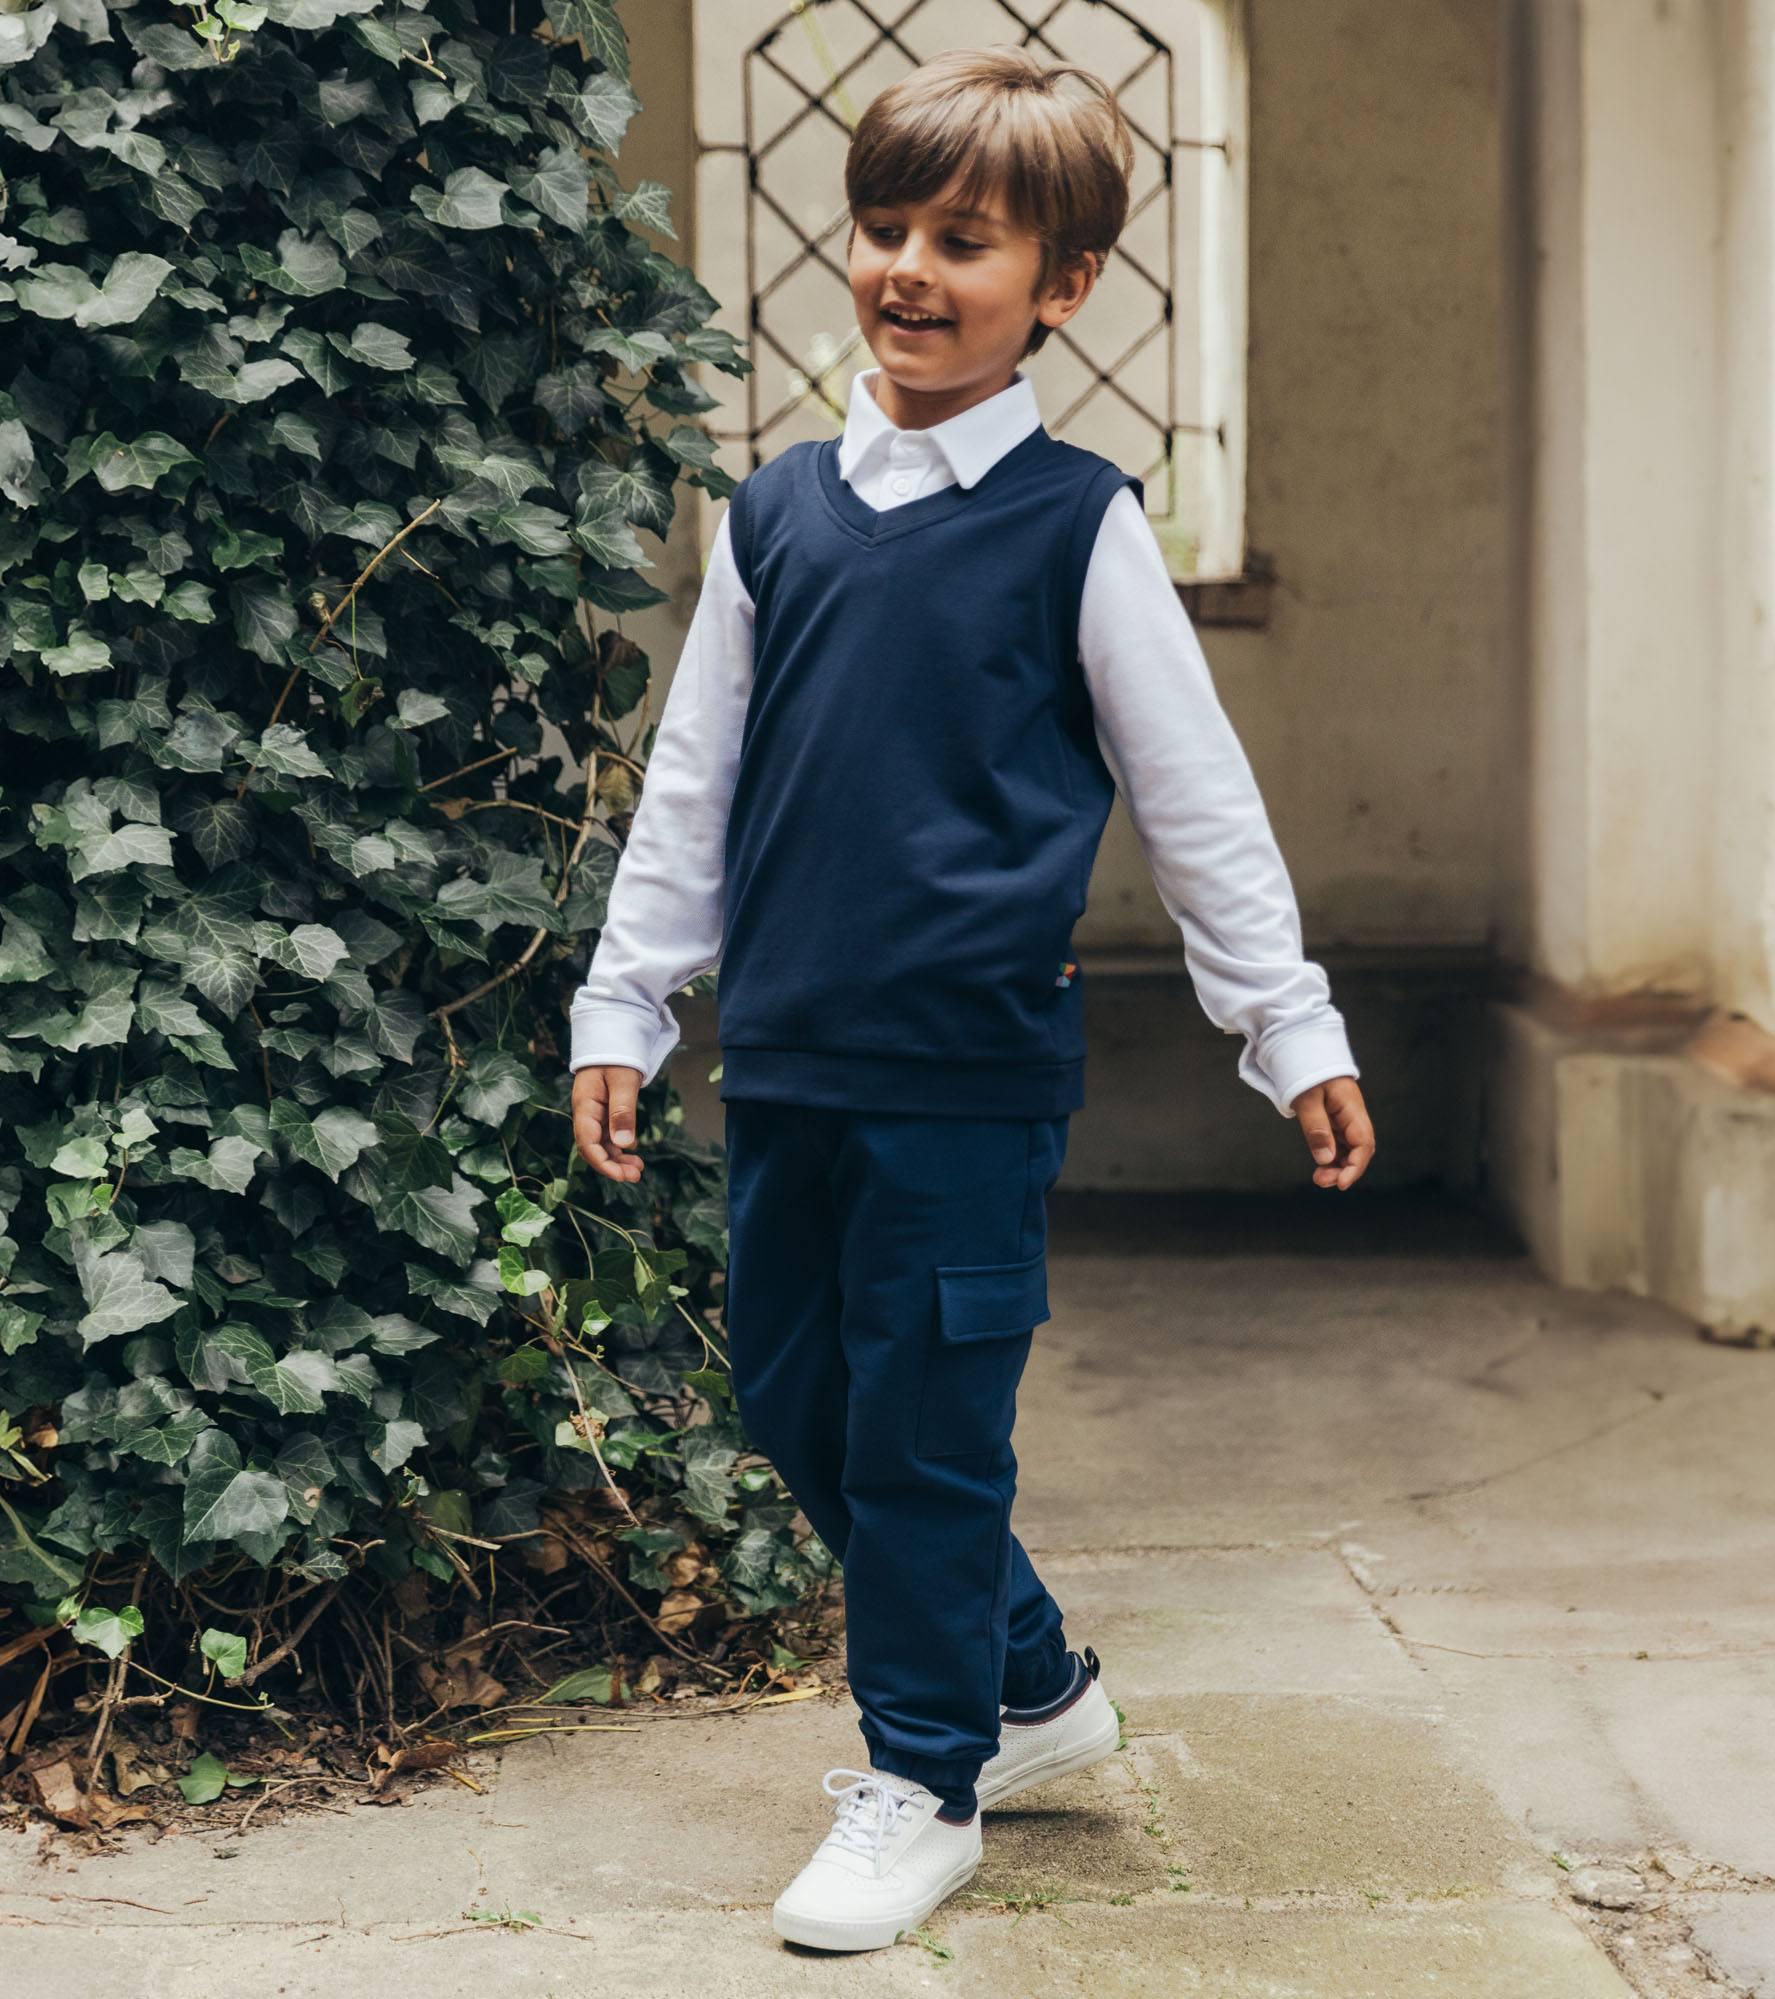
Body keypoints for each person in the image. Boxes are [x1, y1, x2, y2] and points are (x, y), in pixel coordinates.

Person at [567, 45, 1376, 1954]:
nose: (909, 268)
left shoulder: (1078, 524)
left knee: (926, 1435)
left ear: (1062, 286)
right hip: (789, 1058)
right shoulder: (775, 515)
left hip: (966, 1079)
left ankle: (924, 1779)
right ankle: (1034, 1687)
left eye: (966, 241)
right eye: (885, 227)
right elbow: (694, 780)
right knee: (794, 1403)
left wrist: (1296, 1028)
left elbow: (1200, 806)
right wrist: (628, 1004)